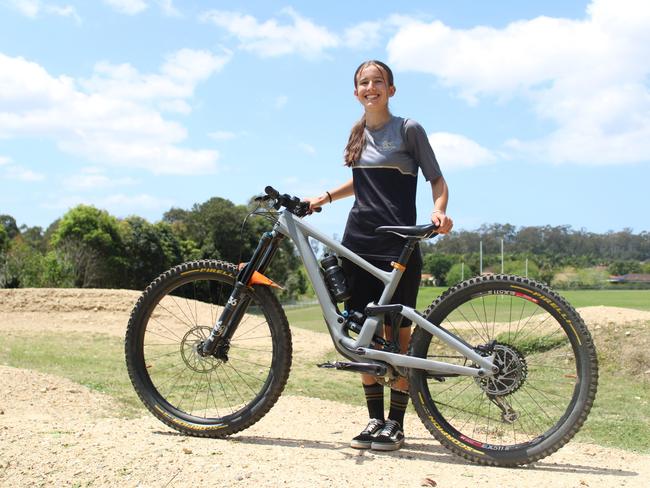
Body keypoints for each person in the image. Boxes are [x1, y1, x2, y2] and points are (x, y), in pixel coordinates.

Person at [305, 60, 453, 451]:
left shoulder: (408, 129)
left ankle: (397, 424)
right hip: (357, 242)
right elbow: (360, 182)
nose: (371, 87)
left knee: (397, 338)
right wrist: (322, 198)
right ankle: (373, 421)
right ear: (356, 92)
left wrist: (438, 210)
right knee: (364, 337)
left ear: (391, 89)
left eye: (378, 82)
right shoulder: (357, 133)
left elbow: (436, 178)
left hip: (397, 244)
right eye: (363, 82)